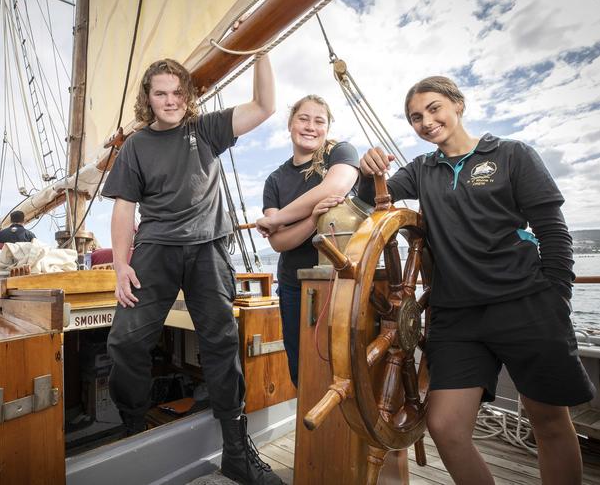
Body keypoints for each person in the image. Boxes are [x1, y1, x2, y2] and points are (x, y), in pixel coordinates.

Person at [358, 76, 595, 484]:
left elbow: (553, 232)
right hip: (457, 317)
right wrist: (367, 171)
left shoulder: (511, 154)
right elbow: (368, 203)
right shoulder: (422, 170)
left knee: (549, 421)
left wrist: (557, 300)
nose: (426, 121)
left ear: (458, 104)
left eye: (434, 108)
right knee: (446, 427)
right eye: (416, 117)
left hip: (525, 304)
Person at [101, 55, 283, 485]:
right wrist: (121, 265)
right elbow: (124, 211)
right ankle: (132, 429)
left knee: (221, 342)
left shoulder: (207, 129)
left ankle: (237, 452)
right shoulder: (135, 146)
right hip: (155, 250)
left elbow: (264, 106)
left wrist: (260, 51)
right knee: (125, 342)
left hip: (209, 249)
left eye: (177, 92)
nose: (170, 100)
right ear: (148, 98)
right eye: (160, 93)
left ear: (189, 95)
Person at [257, 94, 360, 387]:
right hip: (293, 284)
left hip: (341, 280)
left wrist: (276, 220)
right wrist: (312, 218)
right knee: (300, 369)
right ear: (290, 124)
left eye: (319, 121)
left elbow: (337, 186)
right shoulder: (275, 181)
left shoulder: (340, 153)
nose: (310, 126)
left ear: (327, 127)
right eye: (303, 119)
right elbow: (279, 244)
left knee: (344, 364)